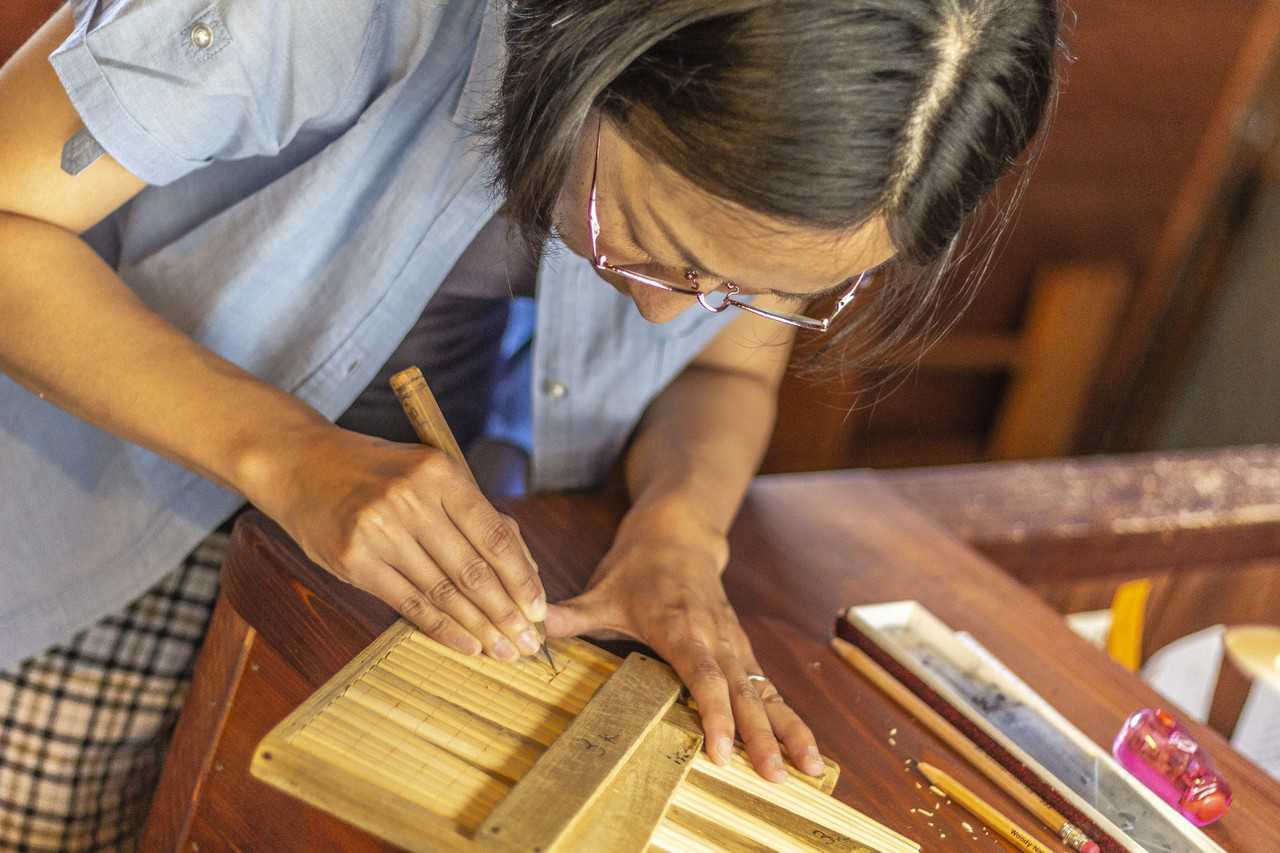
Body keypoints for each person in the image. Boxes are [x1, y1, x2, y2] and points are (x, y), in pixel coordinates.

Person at [0, 0, 1060, 848]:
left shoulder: (821, 158)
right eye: (648, 243)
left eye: (746, 289)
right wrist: (291, 454)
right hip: (97, 502)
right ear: (597, 46)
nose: (662, 312)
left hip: (445, 544)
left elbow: (725, 381)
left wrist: (678, 535)